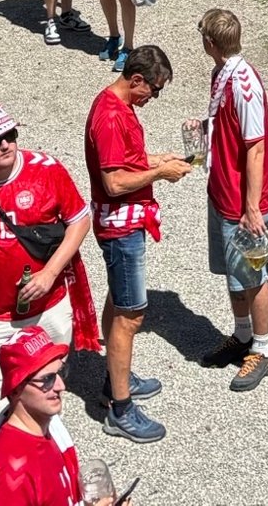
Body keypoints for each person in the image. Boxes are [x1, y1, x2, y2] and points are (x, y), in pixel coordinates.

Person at [0, 102, 98, 430]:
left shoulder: (47, 170)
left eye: (9, 135)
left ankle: (51, 467)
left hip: (48, 308)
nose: (4, 144)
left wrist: (50, 273)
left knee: (48, 394)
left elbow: (79, 221)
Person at [83, 46, 188, 442]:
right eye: (154, 90)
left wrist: (153, 158)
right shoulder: (111, 116)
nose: (154, 98)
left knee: (118, 299)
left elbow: (124, 161)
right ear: (137, 79)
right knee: (131, 314)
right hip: (120, 228)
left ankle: (116, 377)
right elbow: (113, 182)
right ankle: (120, 409)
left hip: (123, 223)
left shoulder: (116, 105)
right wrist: (159, 172)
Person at [194, 10, 268, 391]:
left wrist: (252, 206)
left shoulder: (243, 83)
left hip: (240, 201)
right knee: (233, 272)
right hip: (221, 188)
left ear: (210, 42)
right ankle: (242, 336)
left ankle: (262, 349)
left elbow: (255, 146)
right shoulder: (221, 73)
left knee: (252, 276)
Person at [0, 328, 112, 506]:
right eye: (47, 379)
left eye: (60, 373)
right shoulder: (11, 478)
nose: (61, 386)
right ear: (16, 388)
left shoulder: (44, 426)